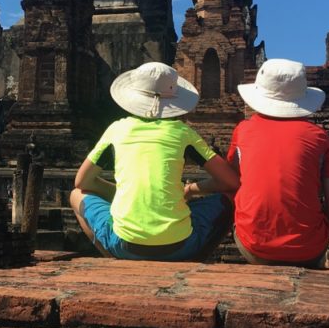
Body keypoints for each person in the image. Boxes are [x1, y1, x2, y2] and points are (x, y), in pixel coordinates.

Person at [70, 61, 239, 261]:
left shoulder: (117, 129)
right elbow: (231, 182)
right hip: (182, 246)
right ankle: (196, 260)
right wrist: (192, 189)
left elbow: (82, 182)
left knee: (76, 195)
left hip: (123, 245)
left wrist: (121, 190)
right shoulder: (183, 133)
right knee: (230, 199)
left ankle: (114, 258)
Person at [228, 58, 329, 268]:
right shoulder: (319, 137)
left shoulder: (243, 131)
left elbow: (232, 181)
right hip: (309, 249)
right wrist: (321, 231)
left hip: (253, 245)